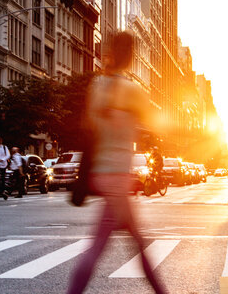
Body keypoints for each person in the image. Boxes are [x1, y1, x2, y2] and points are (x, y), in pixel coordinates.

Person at [67, 31, 166, 294]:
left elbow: (88, 130)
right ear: (131, 56)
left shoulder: (97, 86)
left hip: (101, 172)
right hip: (119, 177)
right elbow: (156, 123)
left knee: (130, 242)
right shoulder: (130, 90)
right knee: (109, 245)